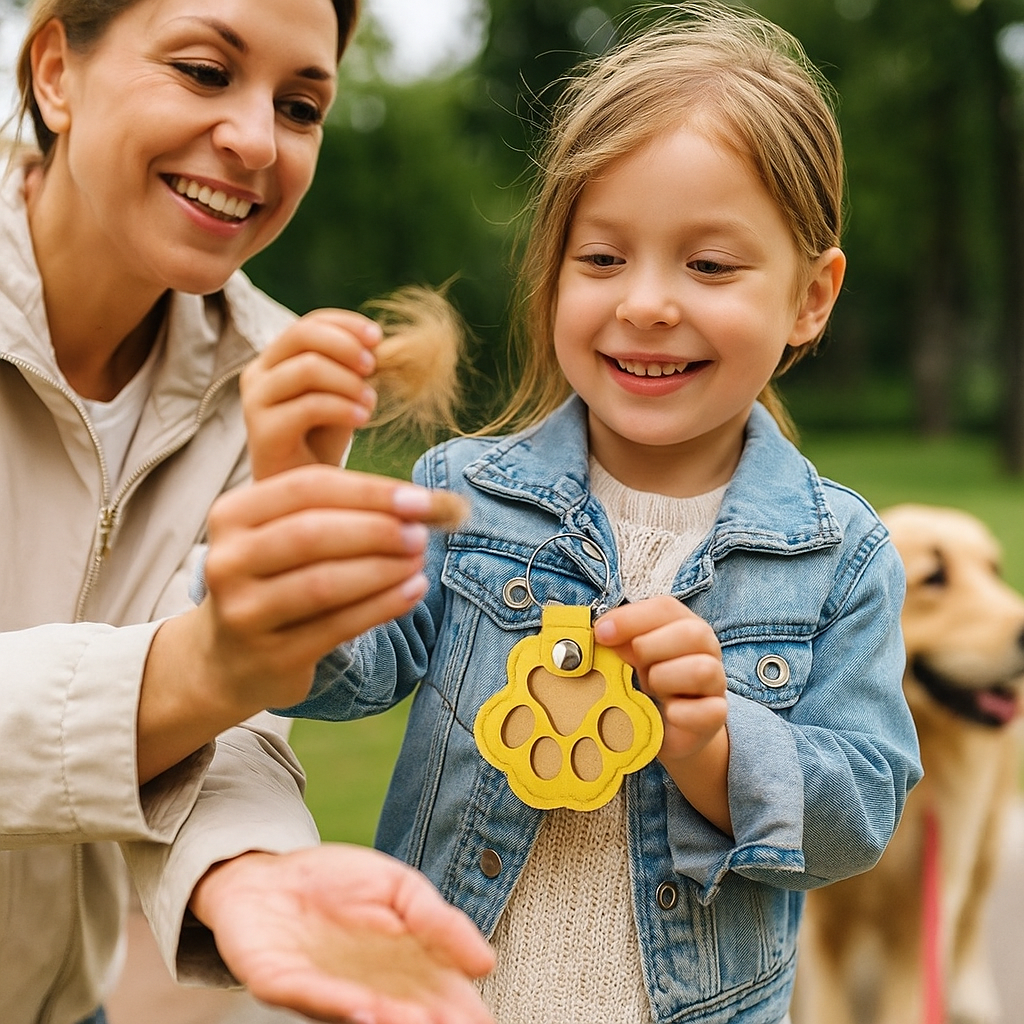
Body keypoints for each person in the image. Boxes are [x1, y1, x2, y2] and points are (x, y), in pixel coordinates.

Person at [250, 3, 924, 1022]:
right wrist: (293, 515)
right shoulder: (466, 496)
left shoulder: (838, 557)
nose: (645, 302)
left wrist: (716, 745)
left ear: (809, 298)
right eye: (602, 258)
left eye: (708, 265)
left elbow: (861, 810)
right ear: (553, 272)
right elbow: (334, 680)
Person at [0, 0, 496, 1022]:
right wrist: (202, 661)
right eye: (202, 70)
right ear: (55, 70)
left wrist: (249, 863)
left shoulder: (266, 380)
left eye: (302, 104)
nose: (257, 140)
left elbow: (215, 720)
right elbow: (189, 678)